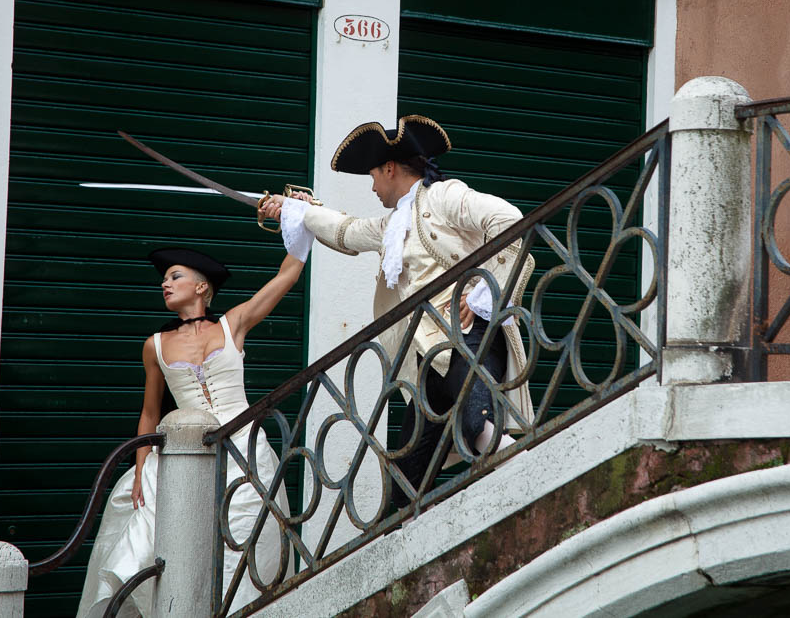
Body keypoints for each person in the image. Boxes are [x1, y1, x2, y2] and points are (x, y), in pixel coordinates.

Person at [260, 115, 534, 511]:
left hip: (466, 335)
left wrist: (479, 293)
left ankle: (532, 475)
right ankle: (402, 542)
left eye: (373, 175)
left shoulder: (443, 197)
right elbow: (346, 231)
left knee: (476, 422)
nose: (372, 186)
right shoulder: (392, 223)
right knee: (407, 470)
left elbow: (510, 221)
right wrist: (295, 209)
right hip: (427, 358)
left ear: (390, 168)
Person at [76, 246, 307, 618]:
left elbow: (288, 275)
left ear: (202, 287)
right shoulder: (155, 345)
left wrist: (300, 220)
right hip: (186, 453)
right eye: (164, 279)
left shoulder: (233, 324)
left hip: (246, 451)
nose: (165, 284)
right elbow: (150, 413)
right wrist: (140, 471)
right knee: (166, 547)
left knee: (245, 543)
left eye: (174, 276)